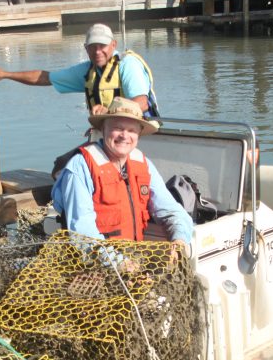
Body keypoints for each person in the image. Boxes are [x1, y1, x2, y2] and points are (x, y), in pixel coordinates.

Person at [51, 97, 192, 262]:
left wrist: (179, 238)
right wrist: (119, 264)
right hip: (91, 264)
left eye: (132, 130)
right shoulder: (80, 166)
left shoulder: (142, 163)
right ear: (103, 129)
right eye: (117, 128)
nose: (125, 136)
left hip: (133, 258)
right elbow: (82, 232)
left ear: (139, 134)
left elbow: (170, 210)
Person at [0, 23, 160, 117]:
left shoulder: (128, 65)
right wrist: (4, 74)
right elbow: (44, 78)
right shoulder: (87, 71)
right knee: (61, 167)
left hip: (139, 134)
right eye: (92, 47)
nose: (98, 51)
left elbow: (141, 103)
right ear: (85, 48)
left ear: (114, 45)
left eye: (102, 46)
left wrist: (110, 112)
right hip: (109, 138)